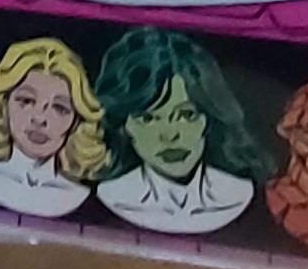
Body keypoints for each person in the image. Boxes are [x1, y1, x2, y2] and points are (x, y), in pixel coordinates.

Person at [94, 28, 275, 235]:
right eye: (148, 119)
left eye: (187, 115)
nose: (170, 135)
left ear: (209, 117)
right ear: (124, 126)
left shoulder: (240, 193)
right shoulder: (111, 194)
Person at [0, 38, 105, 217]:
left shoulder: (91, 203)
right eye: (27, 101)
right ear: (3, 105)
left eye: (60, 108)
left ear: (76, 121)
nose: (40, 118)